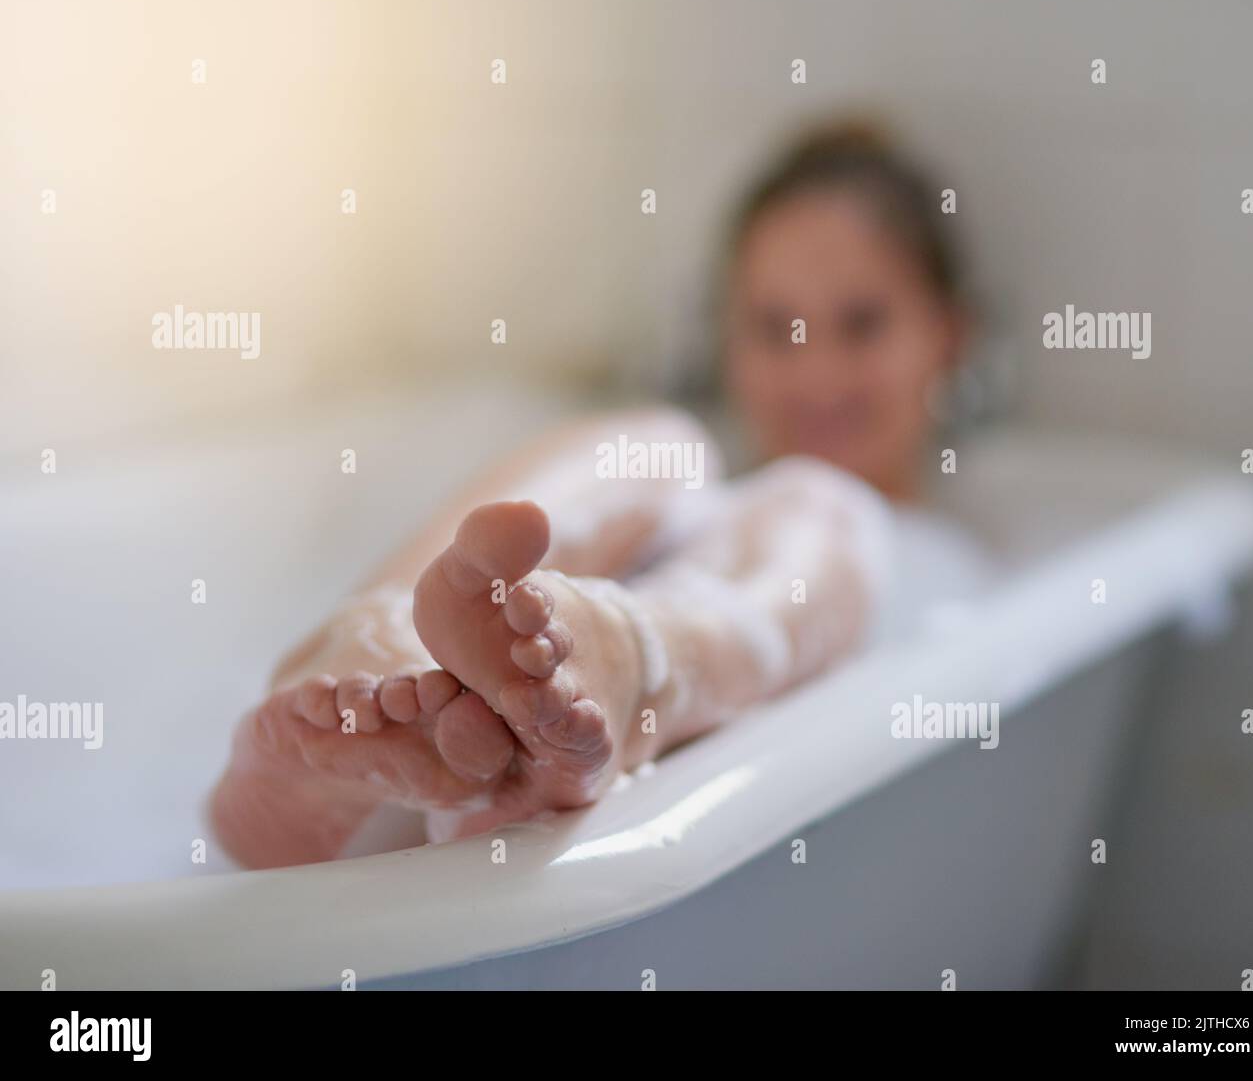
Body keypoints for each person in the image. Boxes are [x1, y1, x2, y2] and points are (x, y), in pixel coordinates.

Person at [209, 117, 986, 869]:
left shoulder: (933, 555)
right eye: (776, 327)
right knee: (657, 438)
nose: (816, 371)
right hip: (491, 757)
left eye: (862, 324)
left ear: (949, 334)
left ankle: (634, 659)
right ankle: (383, 646)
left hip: (593, 739)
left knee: (824, 503)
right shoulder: (695, 497)